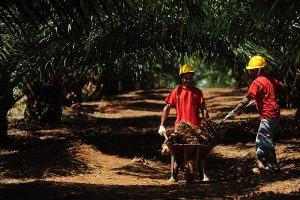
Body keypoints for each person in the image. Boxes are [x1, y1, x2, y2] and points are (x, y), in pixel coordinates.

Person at [225, 55, 283, 173]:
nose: (250, 72)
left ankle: (267, 166)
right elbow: (281, 85)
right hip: (275, 115)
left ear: (259, 70)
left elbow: (245, 100)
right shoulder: (269, 79)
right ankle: (273, 165)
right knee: (267, 139)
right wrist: (271, 96)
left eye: (252, 70)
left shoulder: (256, 83)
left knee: (261, 142)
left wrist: (234, 112)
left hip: (268, 115)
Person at [158, 64, 211, 181]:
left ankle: (203, 174)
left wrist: (208, 123)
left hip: (195, 128)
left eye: (190, 78)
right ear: (181, 78)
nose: (188, 80)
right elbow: (167, 107)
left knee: (200, 151)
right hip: (180, 129)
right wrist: (162, 124)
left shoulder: (197, 92)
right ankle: (173, 175)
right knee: (175, 151)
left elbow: (203, 109)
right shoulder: (176, 91)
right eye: (186, 78)